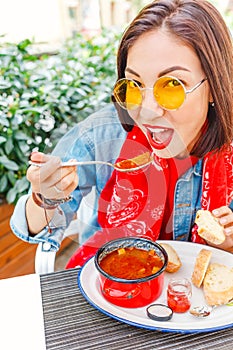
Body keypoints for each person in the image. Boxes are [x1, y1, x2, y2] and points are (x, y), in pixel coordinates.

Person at [10, 0, 233, 268]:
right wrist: (44, 196)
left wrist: (227, 242)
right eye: (135, 84)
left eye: (172, 85)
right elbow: (35, 228)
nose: (147, 110)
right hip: (106, 286)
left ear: (213, 86)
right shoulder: (101, 135)